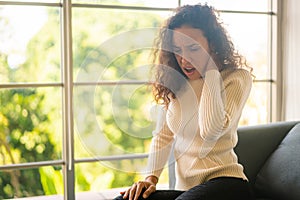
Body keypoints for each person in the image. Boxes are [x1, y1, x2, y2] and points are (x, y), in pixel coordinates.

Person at [114, 3, 254, 200]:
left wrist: (211, 71)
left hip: (227, 183)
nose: (184, 59)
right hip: (186, 191)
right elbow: (163, 136)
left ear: (212, 45)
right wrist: (150, 179)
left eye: (193, 48)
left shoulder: (236, 78)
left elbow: (211, 131)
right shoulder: (176, 83)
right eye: (177, 49)